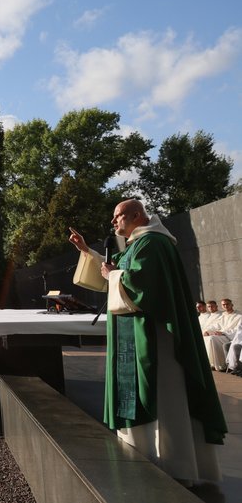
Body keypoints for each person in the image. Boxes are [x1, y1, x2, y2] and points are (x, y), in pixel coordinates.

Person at [69, 199, 226, 484]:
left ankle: (173, 466)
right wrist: (87, 252)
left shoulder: (153, 243)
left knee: (162, 396)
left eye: (117, 216)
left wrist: (114, 276)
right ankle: (146, 458)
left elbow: (140, 286)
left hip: (155, 342)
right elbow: (116, 275)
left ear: (137, 215)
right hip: (139, 336)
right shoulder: (139, 244)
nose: (113, 223)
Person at [202, 298, 240, 371]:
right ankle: (212, 363)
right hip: (221, 334)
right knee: (207, 337)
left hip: (229, 336)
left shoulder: (239, 315)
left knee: (212, 338)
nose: (225, 306)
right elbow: (216, 325)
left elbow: (237, 330)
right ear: (222, 306)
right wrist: (207, 331)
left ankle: (221, 365)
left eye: (227, 304)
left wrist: (223, 333)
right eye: (223, 305)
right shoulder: (223, 315)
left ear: (232, 304)